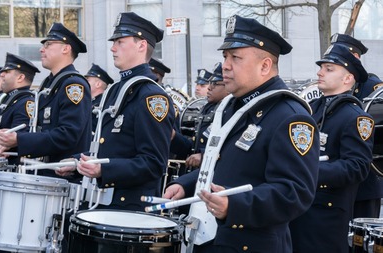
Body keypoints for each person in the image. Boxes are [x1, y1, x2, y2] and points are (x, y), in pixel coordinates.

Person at [163, 15, 320, 253]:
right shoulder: (231, 107)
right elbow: (224, 164)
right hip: (209, 239)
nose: (225, 65)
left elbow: (295, 192)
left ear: (265, 66)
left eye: (235, 57)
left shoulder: (289, 115)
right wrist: (187, 184)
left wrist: (234, 206)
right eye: (225, 56)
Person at [57, 11, 175, 211]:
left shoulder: (151, 96)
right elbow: (110, 149)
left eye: (120, 41)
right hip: (103, 205)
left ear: (141, 45)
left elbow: (153, 163)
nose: (112, 48)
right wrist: (78, 162)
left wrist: (103, 169)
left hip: (128, 212)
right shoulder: (117, 89)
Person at [290, 44, 374, 253]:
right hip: (299, 207)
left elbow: (357, 166)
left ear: (347, 78)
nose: (319, 72)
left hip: (326, 217)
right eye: (321, 68)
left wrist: (308, 172)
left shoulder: (356, 118)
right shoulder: (313, 108)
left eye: (329, 69)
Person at [0, 22, 92, 182]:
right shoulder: (50, 84)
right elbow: (42, 130)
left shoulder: (73, 84)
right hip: (45, 176)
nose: (41, 49)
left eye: (48, 44)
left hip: (63, 178)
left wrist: (19, 139)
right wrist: (14, 144)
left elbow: (68, 134)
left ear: (66, 48)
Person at [331, 33, 383, 220]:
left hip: (366, 181)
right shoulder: (331, 86)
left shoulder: (372, 86)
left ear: (355, 57)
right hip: (339, 180)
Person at [85, 63, 114, 132]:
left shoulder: (103, 103)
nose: (84, 82)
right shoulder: (89, 102)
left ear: (98, 84)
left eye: (88, 80)